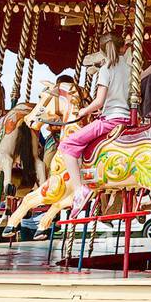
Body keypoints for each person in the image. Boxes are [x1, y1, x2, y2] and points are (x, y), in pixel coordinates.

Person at [55, 31, 132, 212]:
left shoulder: (106, 70)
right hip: (127, 118)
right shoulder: (129, 69)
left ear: (103, 51)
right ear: (122, 47)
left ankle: (79, 189)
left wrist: (84, 110)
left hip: (111, 119)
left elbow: (99, 101)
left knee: (67, 144)